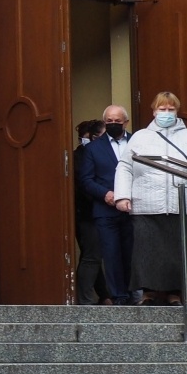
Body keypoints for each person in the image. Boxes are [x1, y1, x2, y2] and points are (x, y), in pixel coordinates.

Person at [115, 92, 187, 304]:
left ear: (177, 112)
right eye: (162, 109)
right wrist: (122, 196)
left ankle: (175, 294)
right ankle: (148, 293)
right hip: (147, 204)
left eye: (171, 109)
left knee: (178, 250)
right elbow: (125, 166)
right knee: (146, 250)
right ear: (154, 111)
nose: (166, 113)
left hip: (183, 203)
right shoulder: (141, 136)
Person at [77, 105, 136, 304]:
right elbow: (86, 179)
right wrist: (105, 194)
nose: (113, 124)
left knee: (131, 253)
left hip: (134, 208)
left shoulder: (138, 142)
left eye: (117, 121)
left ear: (125, 122)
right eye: (108, 122)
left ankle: (132, 293)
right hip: (105, 210)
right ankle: (118, 296)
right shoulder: (93, 148)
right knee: (111, 254)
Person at [72, 120, 110, 305]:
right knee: (92, 255)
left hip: (96, 213)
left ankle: (104, 296)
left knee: (95, 255)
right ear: (90, 136)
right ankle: (85, 300)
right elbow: (84, 188)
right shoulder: (79, 157)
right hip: (88, 214)